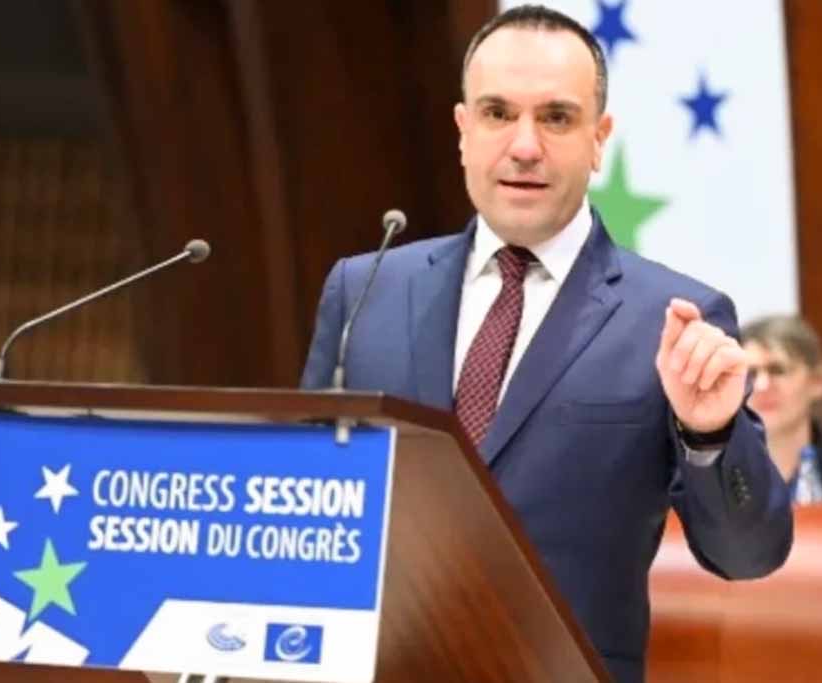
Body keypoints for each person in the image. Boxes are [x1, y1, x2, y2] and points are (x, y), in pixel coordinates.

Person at [300, 5, 791, 682]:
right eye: (498, 113)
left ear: (599, 138)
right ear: (464, 131)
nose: (524, 145)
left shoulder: (673, 320)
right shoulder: (366, 290)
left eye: (556, 117)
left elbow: (749, 554)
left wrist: (710, 435)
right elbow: (309, 507)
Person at [742, 315, 822, 502]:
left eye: (778, 370)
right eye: (751, 374)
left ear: (818, 382)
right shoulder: (711, 477)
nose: (762, 386)